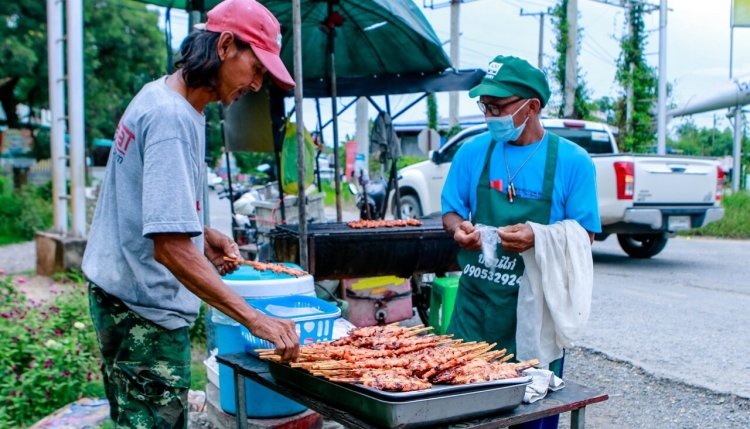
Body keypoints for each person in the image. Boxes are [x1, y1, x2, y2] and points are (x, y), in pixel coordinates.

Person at [81, 1, 298, 427]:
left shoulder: (163, 95)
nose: (256, 85)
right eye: (255, 69)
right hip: (144, 315)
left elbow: (152, 205)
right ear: (226, 45)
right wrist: (256, 319)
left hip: (119, 296)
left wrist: (199, 232)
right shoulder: (170, 118)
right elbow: (169, 248)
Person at [441, 55, 600, 429]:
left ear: (532, 107)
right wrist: (457, 230)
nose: (489, 114)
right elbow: (451, 211)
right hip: (475, 312)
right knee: (462, 414)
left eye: (498, 107)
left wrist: (539, 238)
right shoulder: (472, 153)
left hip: (535, 317)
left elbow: (584, 236)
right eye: (485, 106)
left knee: (531, 418)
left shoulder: (573, 162)